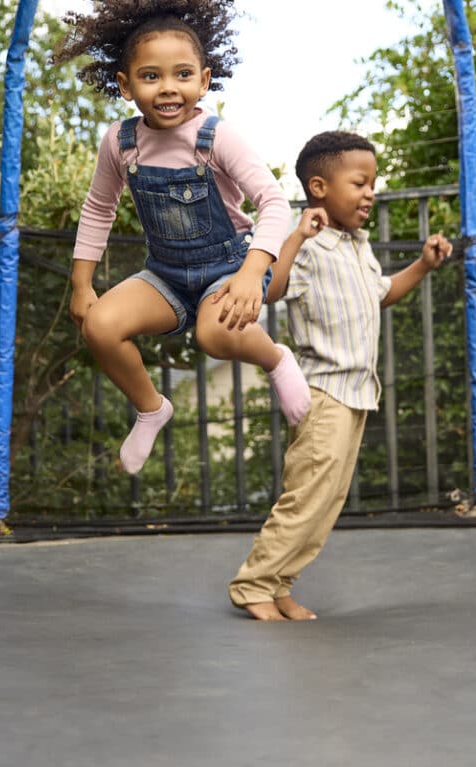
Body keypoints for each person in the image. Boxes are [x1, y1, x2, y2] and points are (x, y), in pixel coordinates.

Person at [52, 0, 310, 475]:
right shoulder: (120, 142)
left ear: (204, 80)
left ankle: (276, 360)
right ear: (126, 85)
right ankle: (151, 408)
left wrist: (253, 273)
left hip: (230, 268)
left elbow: (274, 203)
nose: (168, 88)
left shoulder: (216, 137)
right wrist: (82, 283)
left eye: (182, 74)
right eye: (151, 77)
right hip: (166, 274)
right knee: (100, 327)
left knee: (213, 334)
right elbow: (97, 208)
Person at [228, 131, 453, 621]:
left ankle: (281, 583)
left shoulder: (356, 246)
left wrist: (423, 264)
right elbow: (272, 290)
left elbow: (382, 292)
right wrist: (294, 237)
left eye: (373, 182)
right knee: (306, 494)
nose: (370, 192)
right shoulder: (307, 244)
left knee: (327, 501)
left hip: (356, 393)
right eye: (360, 182)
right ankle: (253, 584)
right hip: (322, 392)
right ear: (319, 186)